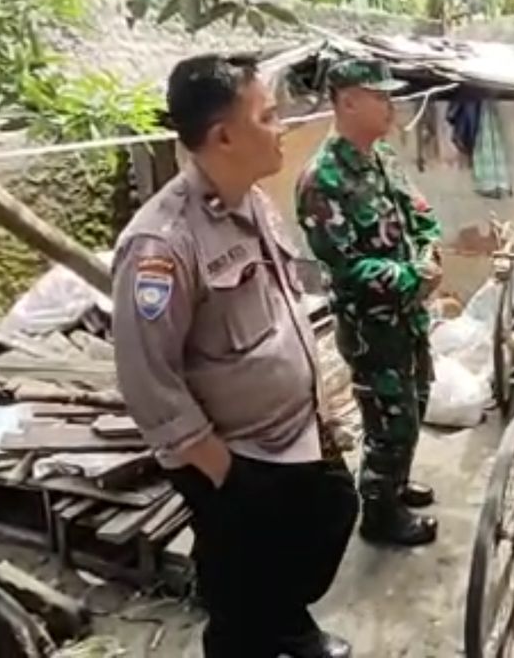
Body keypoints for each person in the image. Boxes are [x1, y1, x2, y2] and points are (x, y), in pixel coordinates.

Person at [111, 53, 357, 658]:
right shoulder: (161, 244)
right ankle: (258, 635)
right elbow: (147, 380)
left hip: (293, 430)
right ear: (223, 135)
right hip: (235, 454)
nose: (284, 127)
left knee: (329, 515)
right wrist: (222, 470)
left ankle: (287, 624)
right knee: (238, 585)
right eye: (269, 116)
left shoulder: (253, 203)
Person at [296, 57, 443, 547]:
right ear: (348, 101)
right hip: (371, 330)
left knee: (414, 404)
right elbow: (343, 266)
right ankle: (379, 515)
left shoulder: (385, 159)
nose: (390, 105)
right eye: (380, 96)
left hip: (409, 319)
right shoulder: (323, 179)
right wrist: (410, 276)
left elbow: (419, 215)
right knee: (388, 421)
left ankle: (394, 487)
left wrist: (427, 252)